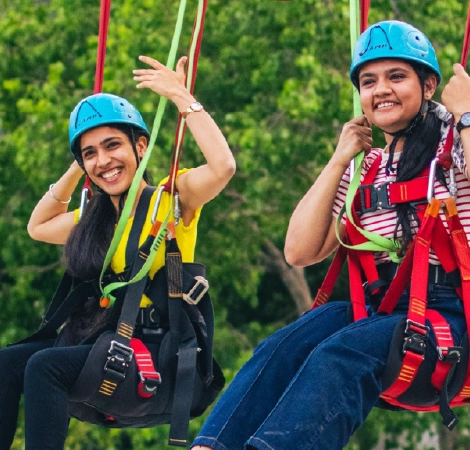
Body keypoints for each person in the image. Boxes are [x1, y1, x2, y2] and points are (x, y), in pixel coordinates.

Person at [191, 20, 470, 450]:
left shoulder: (452, 149)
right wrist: (340, 159)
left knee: (339, 353)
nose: (381, 90)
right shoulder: (367, 168)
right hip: (382, 317)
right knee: (286, 345)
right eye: (368, 81)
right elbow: (299, 251)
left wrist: (466, 114)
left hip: (446, 325)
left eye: (397, 76)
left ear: (429, 85)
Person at [0, 54, 235, 449]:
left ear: (140, 146)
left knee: (44, 367)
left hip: (158, 352)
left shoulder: (170, 199)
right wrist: (80, 164)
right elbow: (37, 226)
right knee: (7, 363)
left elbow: (223, 167)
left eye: (113, 146)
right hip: (107, 345)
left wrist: (181, 97)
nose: (104, 160)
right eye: (91, 152)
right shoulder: (95, 219)